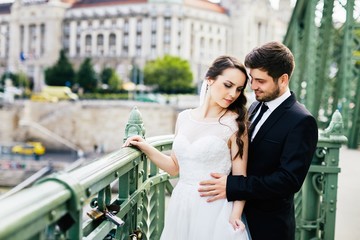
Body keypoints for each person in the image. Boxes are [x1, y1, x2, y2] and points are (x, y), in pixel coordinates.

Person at [198, 41, 318, 240]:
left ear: (283, 79)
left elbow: (288, 180)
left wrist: (233, 186)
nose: (253, 86)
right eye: (252, 79)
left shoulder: (301, 121)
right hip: (229, 216)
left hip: (268, 226)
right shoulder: (253, 107)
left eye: (260, 81)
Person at [123, 56, 251, 239]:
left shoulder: (235, 125)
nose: (233, 94)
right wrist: (145, 146)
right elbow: (174, 167)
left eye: (239, 89)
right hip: (182, 203)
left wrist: (235, 215)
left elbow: (240, 178)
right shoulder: (184, 117)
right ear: (210, 79)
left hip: (214, 208)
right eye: (228, 85)